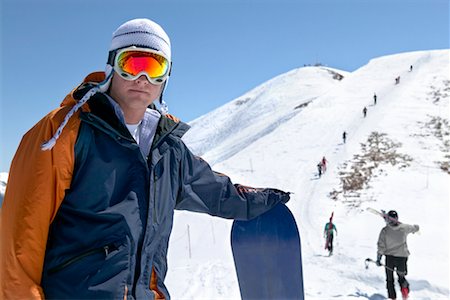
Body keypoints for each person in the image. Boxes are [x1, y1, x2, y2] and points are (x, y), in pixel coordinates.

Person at [0, 18, 291, 299]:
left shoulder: (168, 149)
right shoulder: (62, 132)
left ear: (166, 76)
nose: (142, 79)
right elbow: (18, 242)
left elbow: (214, 191)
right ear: (112, 65)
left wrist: (260, 201)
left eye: (154, 67)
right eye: (132, 64)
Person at [376, 210, 420, 300]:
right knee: (401, 277)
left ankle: (392, 298)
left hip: (389, 258)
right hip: (402, 257)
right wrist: (416, 228)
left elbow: (381, 246)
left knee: (390, 280)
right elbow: (415, 228)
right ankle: (405, 296)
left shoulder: (385, 231)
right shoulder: (404, 228)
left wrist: (378, 258)